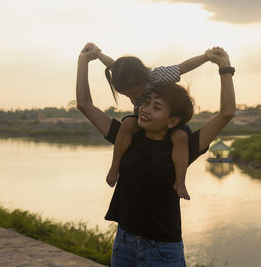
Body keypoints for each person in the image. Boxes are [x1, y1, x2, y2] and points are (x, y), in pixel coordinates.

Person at [76, 43, 235, 266]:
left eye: (156, 107)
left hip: (162, 250)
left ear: (172, 121)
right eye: (146, 103)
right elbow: (84, 104)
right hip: (125, 242)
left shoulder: (183, 146)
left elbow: (227, 113)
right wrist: (84, 60)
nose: (145, 109)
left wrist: (224, 67)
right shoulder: (126, 136)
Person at [86, 43, 209, 200]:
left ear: (142, 77)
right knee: (128, 124)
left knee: (181, 137)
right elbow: (114, 66)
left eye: (134, 92)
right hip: (143, 119)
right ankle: (114, 167)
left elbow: (183, 66)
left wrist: (206, 57)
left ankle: (180, 182)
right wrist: (98, 54)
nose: (132, 96)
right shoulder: (127, 80)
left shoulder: (157, 75)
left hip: (166, 117)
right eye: (125, 94)